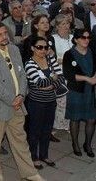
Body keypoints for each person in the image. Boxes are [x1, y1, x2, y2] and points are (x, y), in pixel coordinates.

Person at [0, 22, 44, 181]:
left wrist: (21, 95)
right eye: (0, 35)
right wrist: (12, 100)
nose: (4, 37)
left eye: (5, 33)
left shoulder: (14, 49)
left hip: (18, 104)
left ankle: (29, 172)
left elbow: (22, 74)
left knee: (20, 140)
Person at [24, 36, 65, 169]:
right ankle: (33, 157)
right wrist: (53, 78)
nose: (43, 50)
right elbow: (39, 83)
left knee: (47, 130)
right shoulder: (29, 64)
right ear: (32, 48)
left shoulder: (50, 59)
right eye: (39, 47)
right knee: (35, 131)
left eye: (46, 47)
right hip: (36, 103)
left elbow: (62, 79)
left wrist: (51, 84)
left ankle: (44, 155)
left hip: (51, 101)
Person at [62, 29, 96, 157]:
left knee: (91, 119)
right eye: (83, 38)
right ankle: (75, 144)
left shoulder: (92, 52)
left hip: (90, 91)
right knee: (75, 118)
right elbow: (68, 74)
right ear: (76, 39)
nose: (86, 40)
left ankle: (87, 144)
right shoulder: (69, 54)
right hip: (76, 91)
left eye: (88, 38)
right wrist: (87, 78)